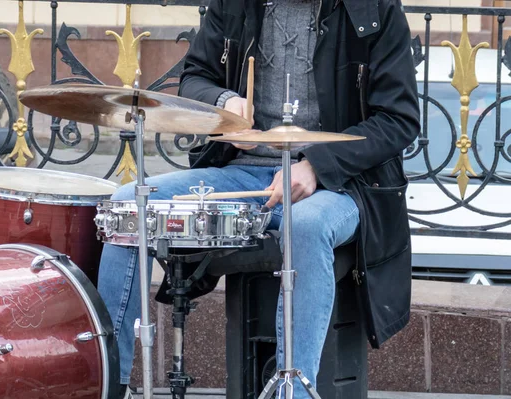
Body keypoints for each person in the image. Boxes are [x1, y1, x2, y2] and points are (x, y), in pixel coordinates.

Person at [98, 0, 420, 397]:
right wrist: (224, 103)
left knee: (305, 224)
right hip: (244, 171)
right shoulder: (234, 4)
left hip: (343, 182)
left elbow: (398, 119)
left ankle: (295, 392)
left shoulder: (373, 9)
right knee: (130, 203)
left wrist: (317, 166)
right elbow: (194, 78)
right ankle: (111, 383)